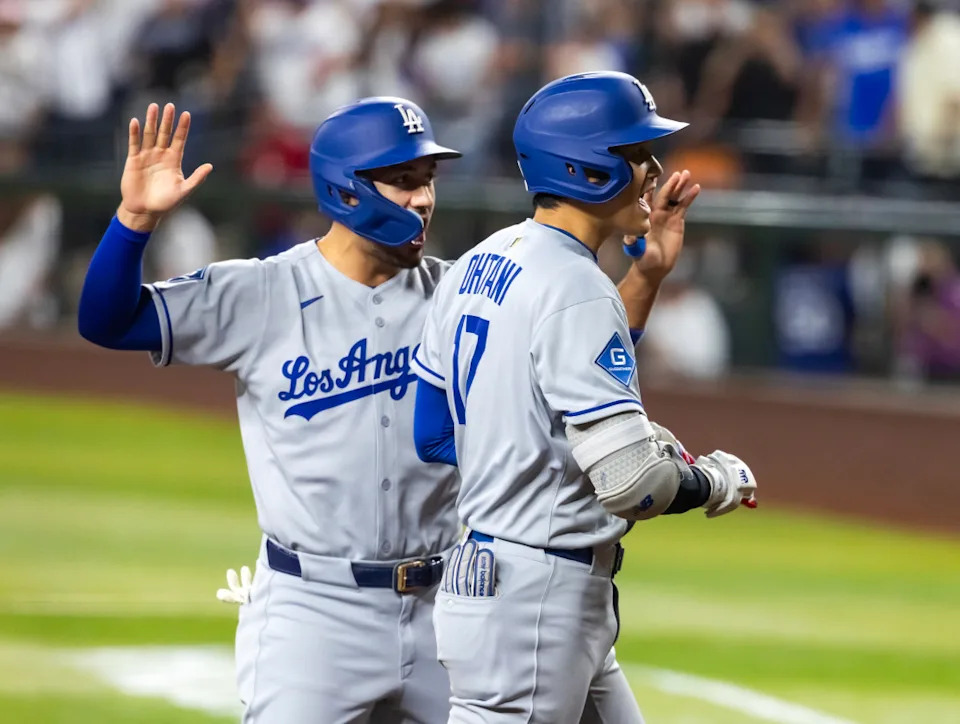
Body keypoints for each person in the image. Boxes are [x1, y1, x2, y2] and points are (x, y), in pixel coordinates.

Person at [77, 97, 465, 723]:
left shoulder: (459, 294)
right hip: (312, 614)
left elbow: (556, 366)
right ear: (347, 190)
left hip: (445, 605)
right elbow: (107, 321)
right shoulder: (263, 292)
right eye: (403, 180)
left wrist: (631, 292)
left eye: (428, 179)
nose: (423, 198)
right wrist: (134, 220)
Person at [412, 71, 758, 723]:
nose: (654, 171)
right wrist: (713, 480)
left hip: (507, 580)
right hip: (536, 601)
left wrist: (647, 275)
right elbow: (635, 485)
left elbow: (433, 434)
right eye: (637, 154)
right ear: (587, 168)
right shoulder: (576, 286)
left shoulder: (480, 260)